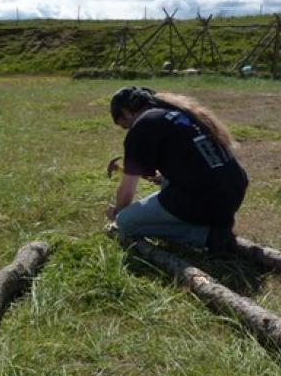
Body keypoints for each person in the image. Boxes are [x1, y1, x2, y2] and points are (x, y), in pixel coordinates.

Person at [105, 86, 248, 256]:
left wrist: (118, 212)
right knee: (168, 184)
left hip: (205, 200)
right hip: (234, 192)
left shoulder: (143, 124)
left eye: (126, 126)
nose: (129, 130)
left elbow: (127, 191)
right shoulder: (182, 114)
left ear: (126, 113)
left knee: (125, 222)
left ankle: (207, 236)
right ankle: (212, 224)